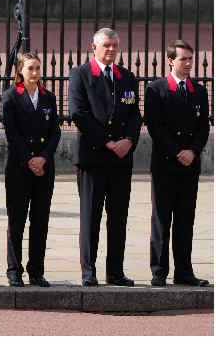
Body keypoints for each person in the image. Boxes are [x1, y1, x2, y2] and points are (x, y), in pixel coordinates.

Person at [68, 27, 141, 287]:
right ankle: (89, 270)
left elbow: (134, 115)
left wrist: (129, 140)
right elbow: (78, 113)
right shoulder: (81, 75)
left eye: (114, 46)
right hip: (94, 158)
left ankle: (115, 271)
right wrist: (108, 141)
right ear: (94, 47)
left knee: (118, 217)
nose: (111, 50)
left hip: (121, 159)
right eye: (106, 45)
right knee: (91, 217)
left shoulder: (127, 77)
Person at [144, 39, 211, 287]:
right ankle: (159, 271)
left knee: (185, 219)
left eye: (191, 59)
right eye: (183, 59)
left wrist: (192, 152)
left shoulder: (199, 91)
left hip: (190, 165)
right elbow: (155, 126)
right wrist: (177, 152)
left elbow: (204, 126)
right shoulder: (157, 89)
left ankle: (184, 271)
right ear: (170, 60)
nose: (188, 64)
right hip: (165, 164)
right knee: (162, 218)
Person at [0, 51, 60, 287]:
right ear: (20, 71)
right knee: (17, 220)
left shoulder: (49, 97)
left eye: (37, 68)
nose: (35, 73)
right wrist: (30, 160)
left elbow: (55, 132)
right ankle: (14, 269)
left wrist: (43, 158)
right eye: (30, 68)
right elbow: (12, 134)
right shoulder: (11, 97)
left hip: (44, 168)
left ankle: (36, 270)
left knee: (40, 220)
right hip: (19, 167)